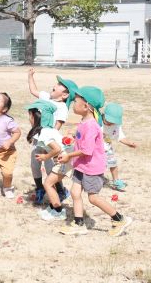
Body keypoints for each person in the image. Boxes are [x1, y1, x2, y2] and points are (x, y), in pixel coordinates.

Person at [56, 86, 132, 236]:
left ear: (86, 106)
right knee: (75, 192)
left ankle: (119, 219)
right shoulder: (84, 122)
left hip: (91, 167)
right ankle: (79, 224)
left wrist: (68, 157)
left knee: (93, 197)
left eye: (76, 101)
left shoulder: (91, 126)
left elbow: (87, 151)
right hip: (81, 165)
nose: (73, 103)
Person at [27, 101, 68, 222]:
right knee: (49, 183)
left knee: (48, 184)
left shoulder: (44, 132)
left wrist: (46, 157)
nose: (29, 119)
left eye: (30, 116)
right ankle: (53, 207)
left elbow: (57, 148)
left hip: (65, 161)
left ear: (36, 118)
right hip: (65, 161)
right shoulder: (49, 130)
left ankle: (58, 211)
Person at [101, 102, 137, 191]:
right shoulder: (97, 121)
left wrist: (128, 143)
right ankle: (96, 179)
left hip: (107, 147)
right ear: (104, 115)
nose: (110, 123)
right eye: (108, 121)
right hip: (95, 148)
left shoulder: (116, 125)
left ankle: (116, 181)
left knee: (113, 164)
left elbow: (120, 136)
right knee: (97, 165)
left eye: (112, 122)